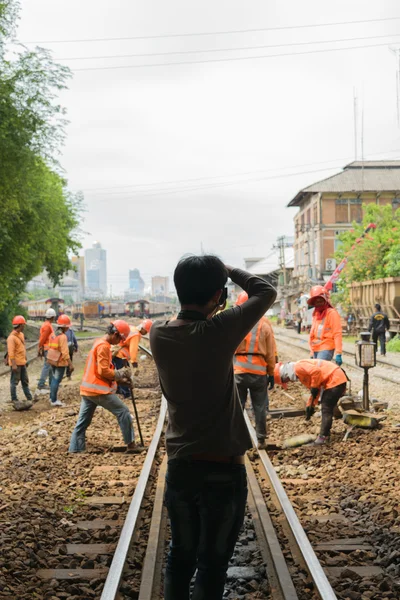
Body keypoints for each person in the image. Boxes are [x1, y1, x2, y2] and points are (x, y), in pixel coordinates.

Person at [150, 255, 276, 600]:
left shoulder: (158, 333)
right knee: (212, 566)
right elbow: (264, 292)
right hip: (224, 470)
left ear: (178, 291)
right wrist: (229, 269)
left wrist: (219, 282)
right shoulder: (219, 331)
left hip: (181, 467)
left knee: (179, 558)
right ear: (219, 297)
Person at [69, 320, 139, 453]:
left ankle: (75, 449)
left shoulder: (99, 342)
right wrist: (120, 373)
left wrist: (121, 381)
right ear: (115, 334)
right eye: (119, 339)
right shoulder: (104, 346)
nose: (119, 343)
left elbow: (99, 372)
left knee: (82, 423)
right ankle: (131, 445)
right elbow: (103, 371)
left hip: (88, 390)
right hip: (98, 391)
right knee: (123, 411)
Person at [234, 291, 276, 447]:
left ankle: (237, 439)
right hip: (258, 372)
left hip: (239, 371)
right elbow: (271, 353)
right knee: (259, 406)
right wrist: (271, 373)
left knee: (238, 407)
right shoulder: (264, 324)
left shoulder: (236, 322)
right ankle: (261, 438)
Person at [275, 359, 347, 444]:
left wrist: (314, 386)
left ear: (284, 374)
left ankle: (323, 438)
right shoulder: (300, 375)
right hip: (334, 378)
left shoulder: (298, 367)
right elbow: (315, 391)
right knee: (327, 406)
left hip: (335, 378)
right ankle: (325, 435)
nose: (288, 381)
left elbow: (316, 372)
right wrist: (310, 406)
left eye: (285, 380)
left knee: (326, 408)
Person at [112, 319, 153, 398]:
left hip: (116, 353)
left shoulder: (132, 328)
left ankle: (118, 390)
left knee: (118, 373)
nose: (146, 333)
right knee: (123, 375)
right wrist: (134, 362)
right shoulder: (136, 335)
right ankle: (126, 394)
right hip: (120, 355)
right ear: (143, 329)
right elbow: (133, 349)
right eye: (147, 331)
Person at [308, 285, 343, 365]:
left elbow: (337, 333)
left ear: (325, 300)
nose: (319, 303)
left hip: (326, 347)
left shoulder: (332, 313)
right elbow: (312, 335)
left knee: (318, 371)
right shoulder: (316, 315)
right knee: (316, 373)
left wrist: (338, 353)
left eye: (320, 300)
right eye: (316, 301)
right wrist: (311, 352)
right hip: (315, 349)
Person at [7, 316, 33, 411]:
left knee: (25, 381)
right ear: (20, 325)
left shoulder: (21, 335)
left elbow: (22, 348)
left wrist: (25, 360)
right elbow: (11, 352)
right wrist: (13, 364)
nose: (24, 326)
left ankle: (29, 398)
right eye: (23, 325)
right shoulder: (11, 338)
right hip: (16, 364)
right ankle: (14, 399)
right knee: (14, 382)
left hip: (22, 362)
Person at [47, 314, 74, 407]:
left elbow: (50, 347)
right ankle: (53, 400)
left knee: (54, 378)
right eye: (67, 326)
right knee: (56, 380)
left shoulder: (53, 334)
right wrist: (70, 364)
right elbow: (65, 353)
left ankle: (51, 397)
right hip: (60, 362)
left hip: (52, 360)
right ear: (65, 327)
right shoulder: (62, 337)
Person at [36, 308, 56, 395]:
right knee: (47, 366)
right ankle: (41, 384)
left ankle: (51, 383)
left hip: (49, 349)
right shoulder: (47, 326)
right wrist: (39, 347)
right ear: (52, 317)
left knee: (50, 367)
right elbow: (43, 338)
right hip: (48, 349)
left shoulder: (47, 324)